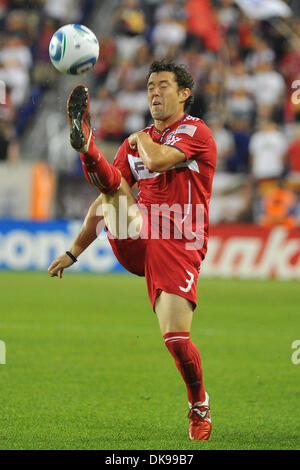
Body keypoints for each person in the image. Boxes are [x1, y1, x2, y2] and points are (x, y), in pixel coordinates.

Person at [48, 59, 217, 441]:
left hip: (179, 241)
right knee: (111, 190)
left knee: (176, 340)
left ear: (184, 93)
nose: (154, 92)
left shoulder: (196, 132)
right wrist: (75, 252)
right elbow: (107, 197)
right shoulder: (134, 141)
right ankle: (87, 147)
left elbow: (156, 160)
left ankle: (199, 404)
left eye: (163, 85)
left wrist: (140, 139)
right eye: (150, 86)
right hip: (139, 235)